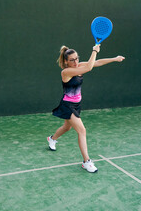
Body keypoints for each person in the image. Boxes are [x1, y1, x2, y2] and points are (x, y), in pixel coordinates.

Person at [47, 45, 125, 173]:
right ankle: (86, 161)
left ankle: (52, 139)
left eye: (77, 58)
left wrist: (114, 59)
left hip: (77, 104)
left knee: (67, 127)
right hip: (68, 105)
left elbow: (96, 62)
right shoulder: (66, 72)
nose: (76, 62)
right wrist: (94, 50)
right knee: (82, 131)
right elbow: (89, 67)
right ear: (66, 61)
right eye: (72, 60)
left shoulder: (78, 66)